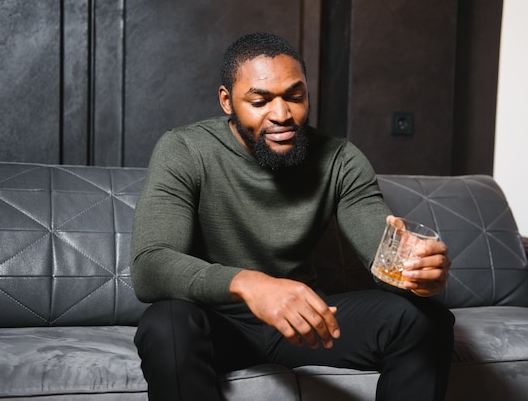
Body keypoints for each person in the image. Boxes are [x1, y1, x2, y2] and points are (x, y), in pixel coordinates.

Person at [130, 32, 454, 401]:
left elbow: (381, 251)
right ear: (226, 101)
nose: (282, 115)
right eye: (260, 100)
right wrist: (251, 284)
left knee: (425, 320)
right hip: (217, 322)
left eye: (295, 97)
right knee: (166, 325)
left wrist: (418, 273)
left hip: (306, 321)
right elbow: (150, 265)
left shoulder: (340, 159)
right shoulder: (184, 149)